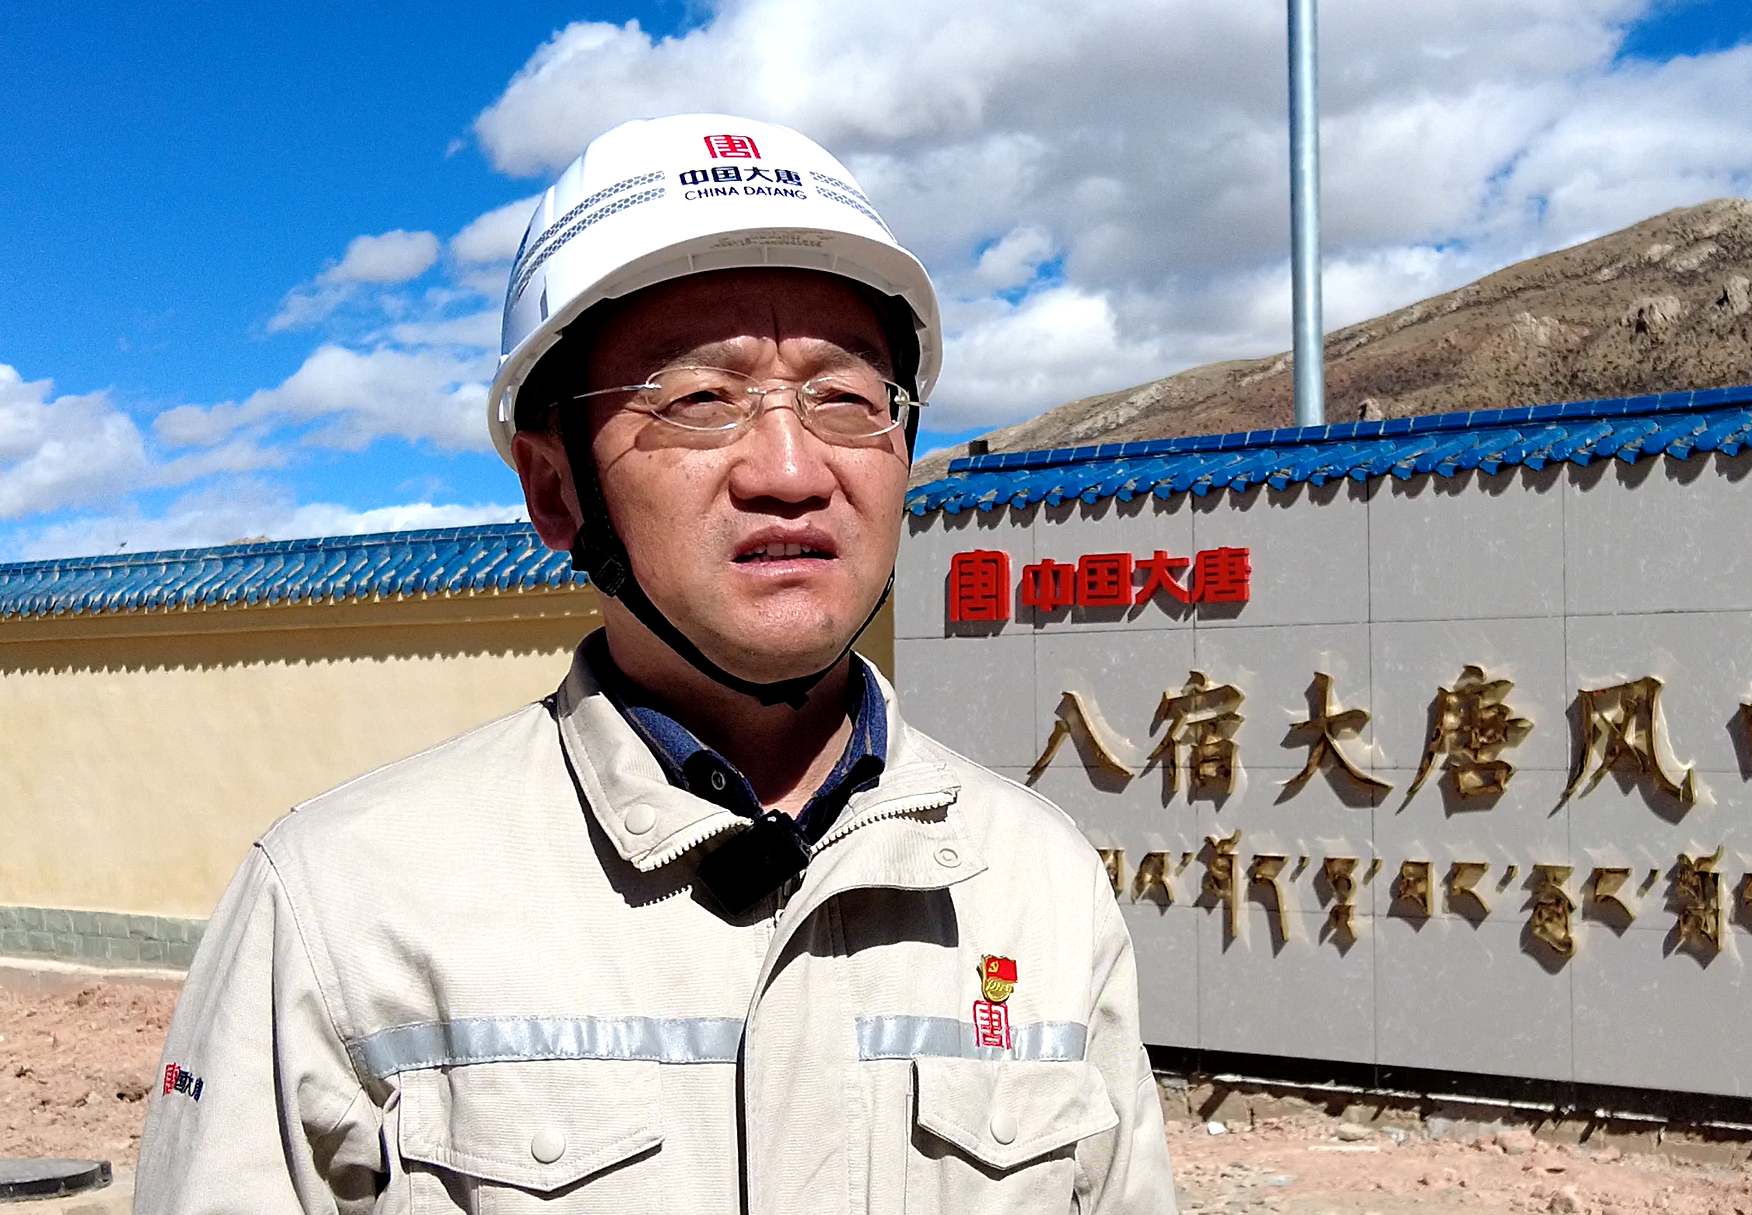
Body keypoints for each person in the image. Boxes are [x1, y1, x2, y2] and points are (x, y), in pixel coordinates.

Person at [136, 114, 1176, 1214]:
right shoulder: (343, 903)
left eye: (845, 398)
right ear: (554, 488)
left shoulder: (1038, 882)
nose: (791, 470)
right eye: (699, 401)